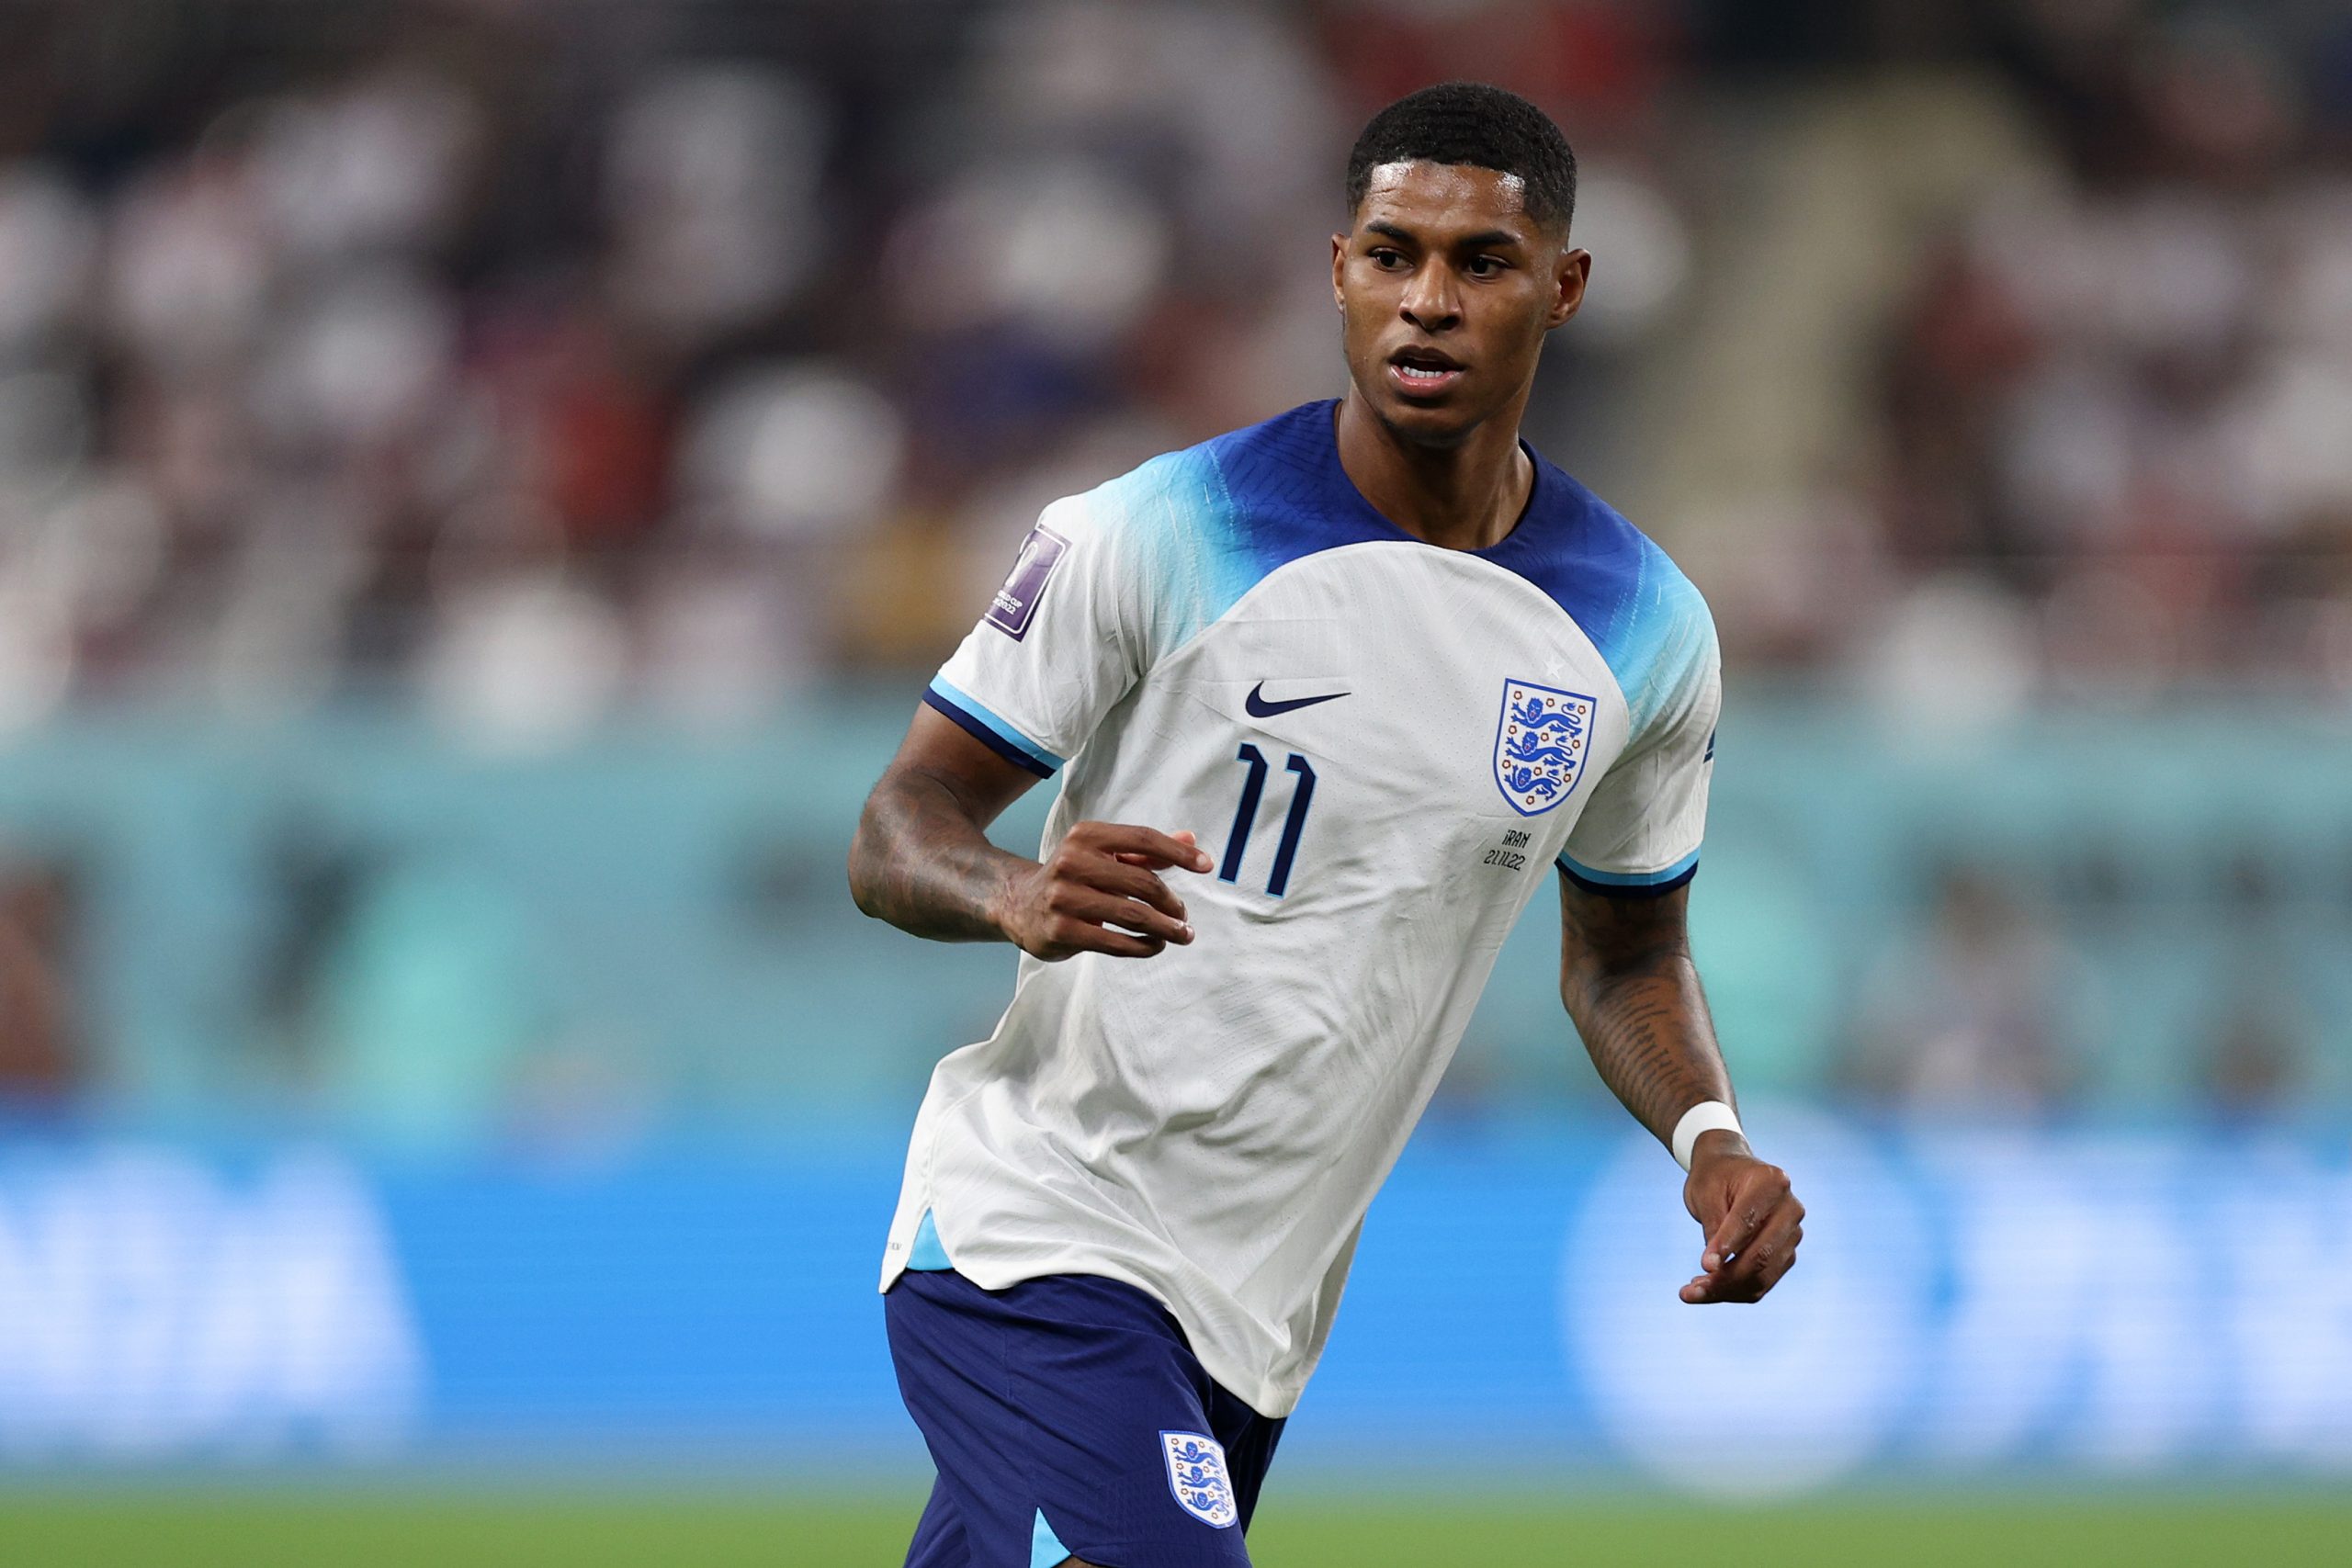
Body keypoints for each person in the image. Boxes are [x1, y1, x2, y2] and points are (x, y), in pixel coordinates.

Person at [848, 81, 1804, 1568]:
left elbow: (1624, 955)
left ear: (1563, 289)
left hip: (1253, 1310)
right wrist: (1010, 889)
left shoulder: (1643, 631)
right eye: (1389, 255)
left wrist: (1708, 1134)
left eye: (1480, 264)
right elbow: (899, 823)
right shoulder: (1150, 533)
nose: (1426, 302)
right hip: (1043, 1235)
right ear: (1338, 270)